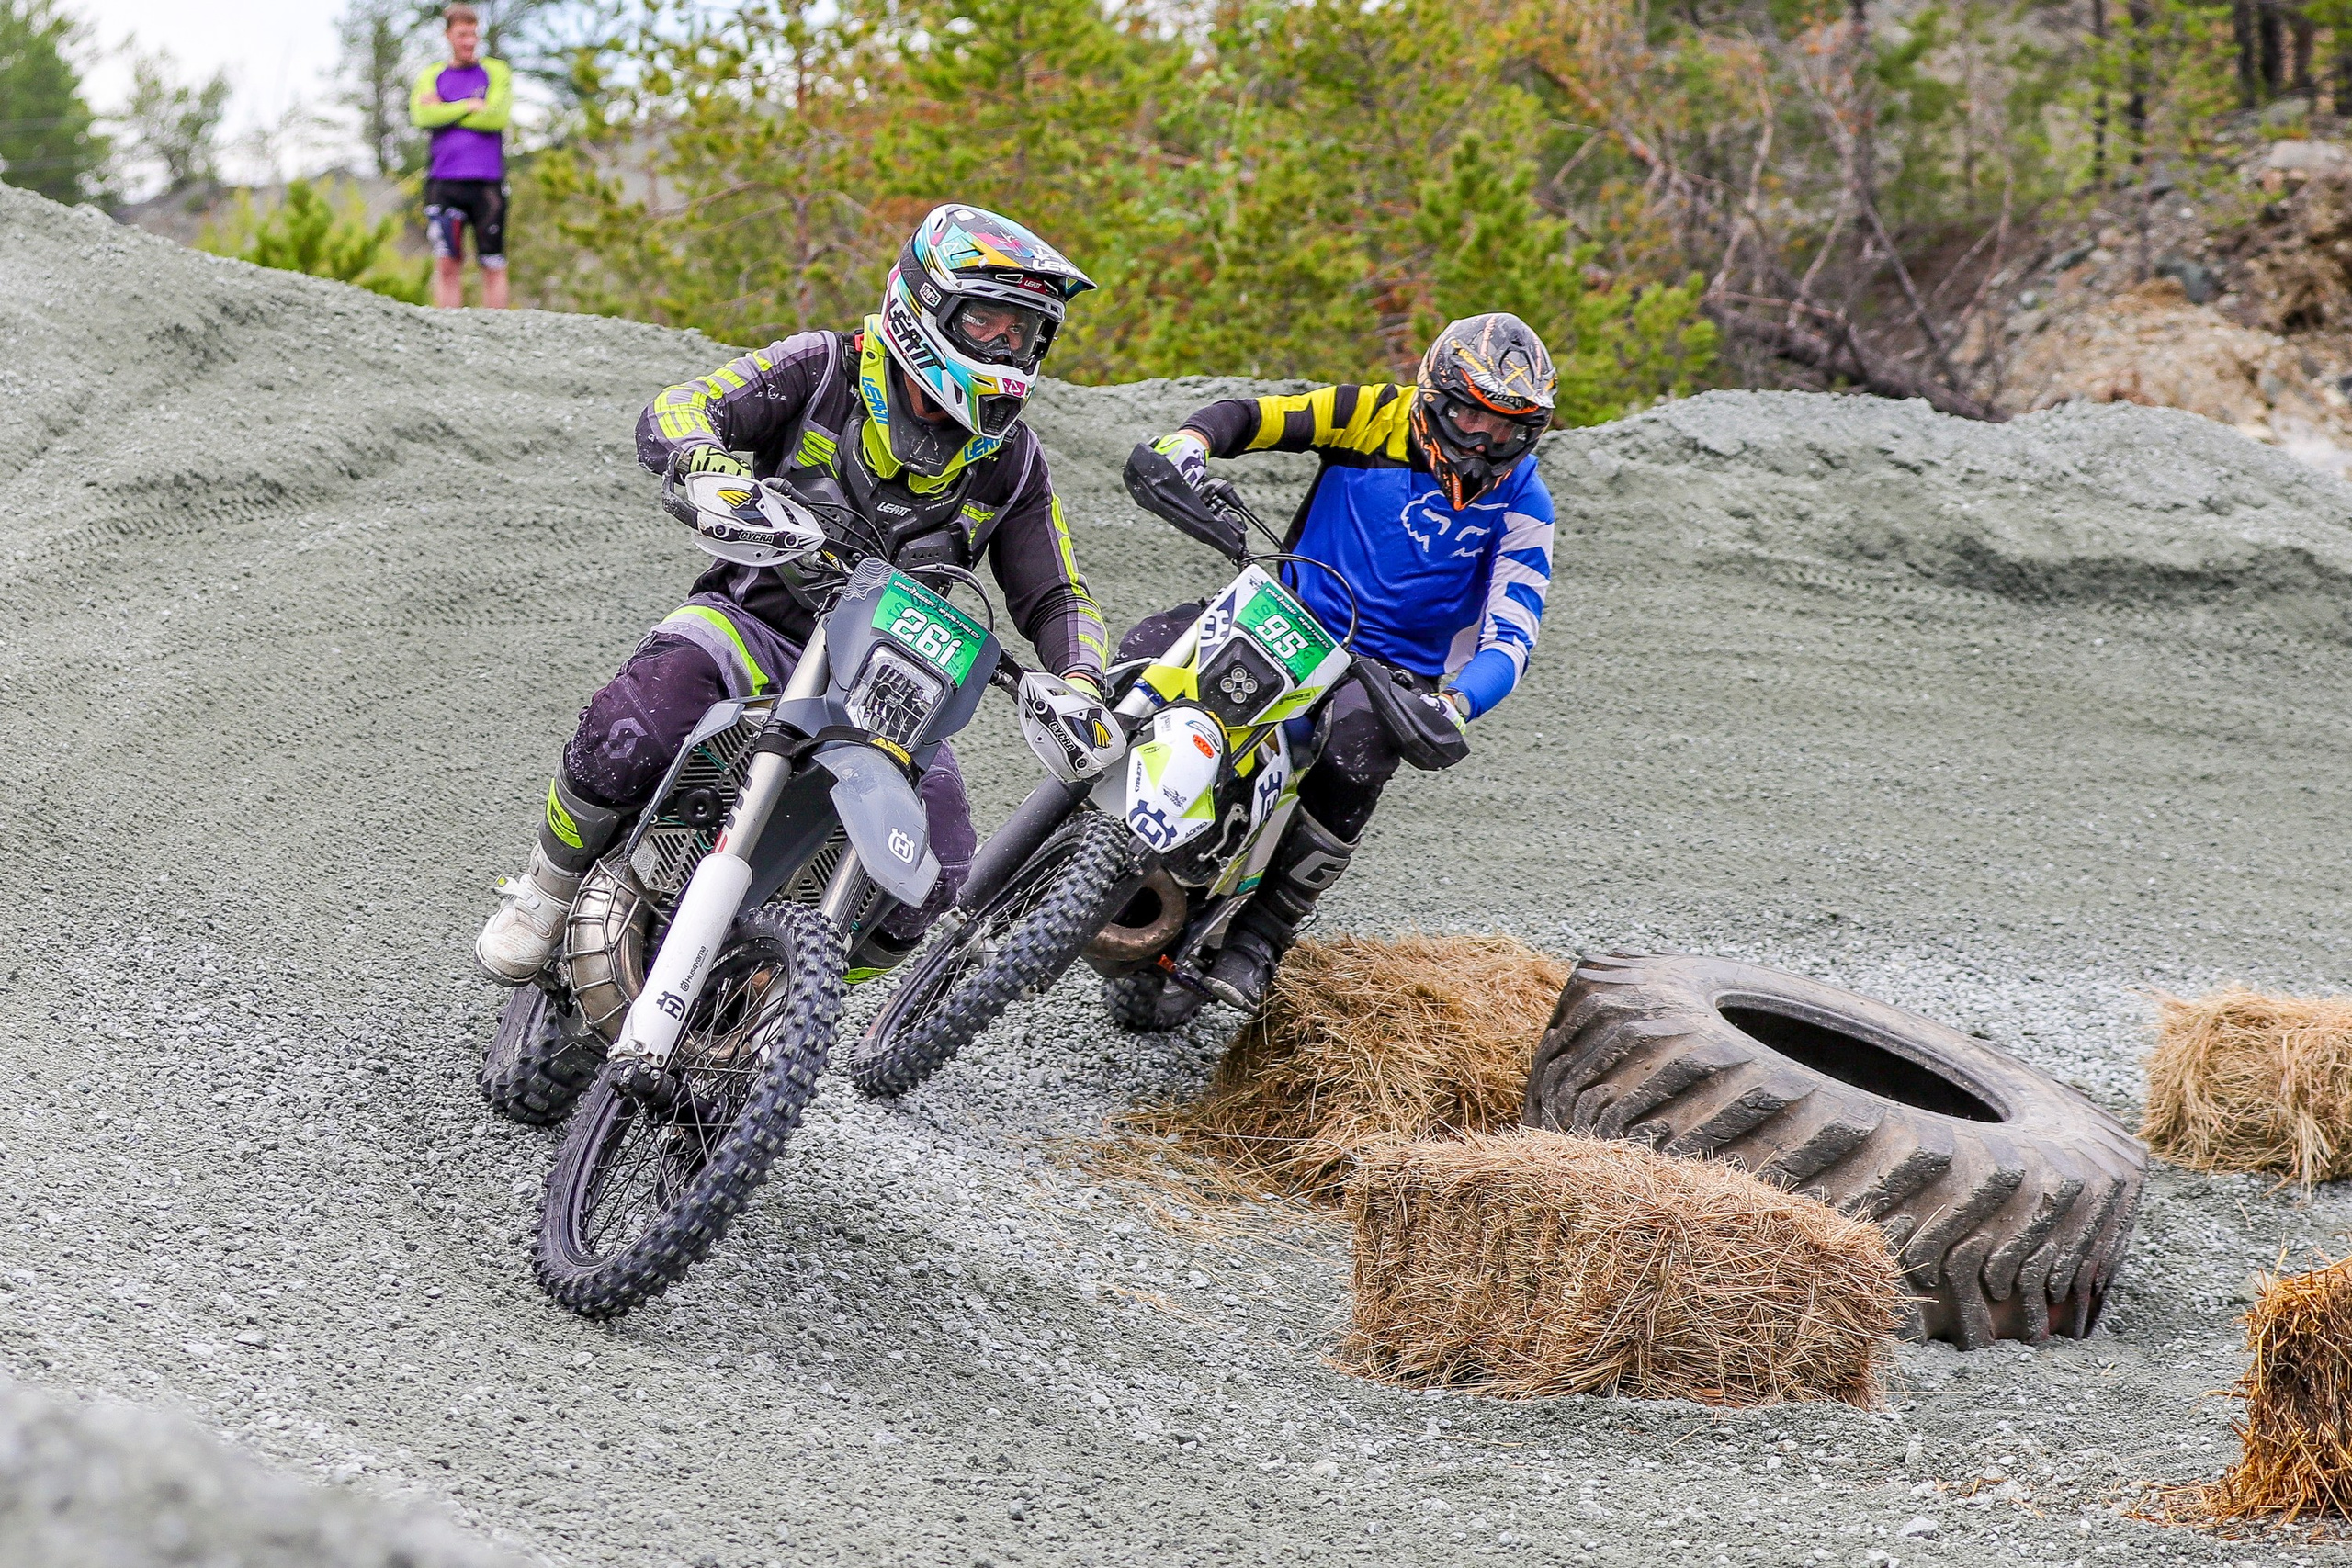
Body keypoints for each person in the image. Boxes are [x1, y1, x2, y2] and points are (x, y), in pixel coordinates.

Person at [474, 204, 1119, 986]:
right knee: (640, 713)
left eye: (1025, 332)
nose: (1009, 347)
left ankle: (779, 997)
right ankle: (546, 892)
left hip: (889, 696)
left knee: (938, 876)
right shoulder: (822, 368)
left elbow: (1058, 595)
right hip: (753, 624)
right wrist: (708, 466)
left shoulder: (1012, 461)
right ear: (927, 302)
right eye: (990, 323)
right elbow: (680, 407)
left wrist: (1080, 681)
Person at [1130, 312, 1557, 1017]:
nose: (1484, 443)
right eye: (1470, 418)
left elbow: (1513, 635)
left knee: (1358, 752)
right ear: (1433, 398)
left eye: (1507, 429)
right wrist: (1190, 443)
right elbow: (1251, 416)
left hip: (1389, 675)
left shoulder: (1526, 501)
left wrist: (1455, 704)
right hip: (1284, 611)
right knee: (1150, 645)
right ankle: (1081, 805)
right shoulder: (1367, 414)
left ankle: (1264, 934)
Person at [410, 4, 512, 310]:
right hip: (443, 181)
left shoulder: (496, 70)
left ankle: (499, 336)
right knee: (447, 264)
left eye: (473, 34)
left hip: (488, 182)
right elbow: (421, 116)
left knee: (493, 262)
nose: (469, 41)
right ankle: (447, 338)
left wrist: (445, 108)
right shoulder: (432, 74)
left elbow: (496, 118)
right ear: (448, 35)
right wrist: (469, 105)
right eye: (462, 34)